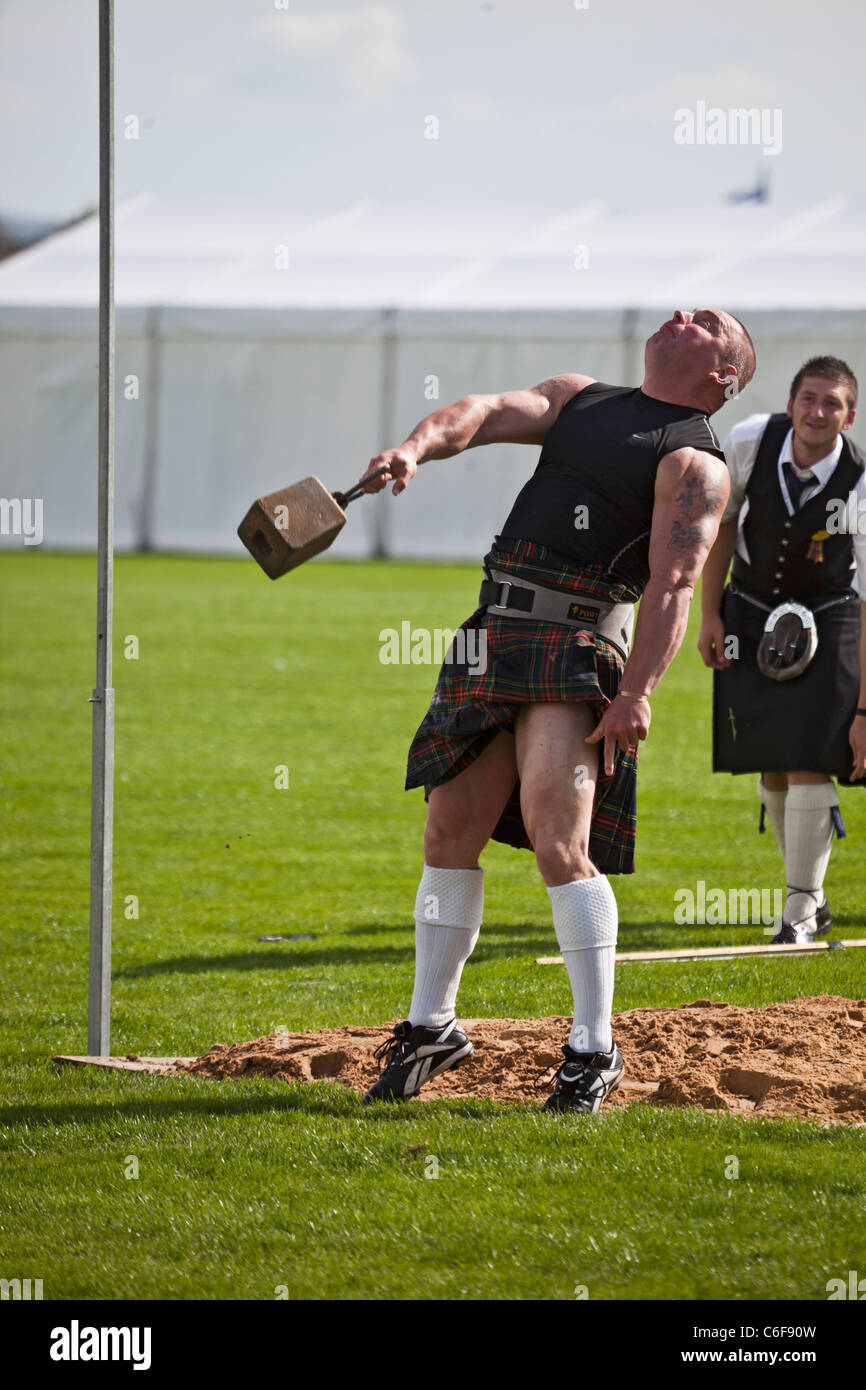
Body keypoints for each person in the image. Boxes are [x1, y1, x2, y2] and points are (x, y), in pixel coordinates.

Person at [360, 308, 755, 1113]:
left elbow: (676, 587)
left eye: (706, 319)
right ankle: (432, 1025)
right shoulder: (581, 399)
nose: (681, 312)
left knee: (558, 841)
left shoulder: (695, 464)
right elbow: (482, 411)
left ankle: (593, 1049)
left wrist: (638, 693)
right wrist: (414, 448)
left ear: (725, 373)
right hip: (493, 631)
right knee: (448, 830)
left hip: (577, 647)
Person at [698, 357, 866, 945]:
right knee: (770, 758)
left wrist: (865, 711)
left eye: (833, 404)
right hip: (748, 608)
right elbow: (722, 521)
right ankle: (811, 895)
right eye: (809, 399)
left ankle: (798, 909)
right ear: (791, 402)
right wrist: (711, 611)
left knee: (807, 757)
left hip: (833, 614)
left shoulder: (862, 482)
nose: (818, 412)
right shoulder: (749, 440)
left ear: (850, 416)